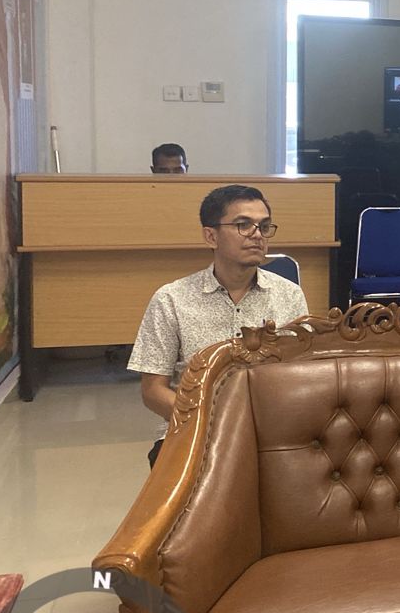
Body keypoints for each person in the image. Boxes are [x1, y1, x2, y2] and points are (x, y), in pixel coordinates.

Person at [127, 184, 308, 466]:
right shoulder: (171, 299)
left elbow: (303, 374)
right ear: (211, 236)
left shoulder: (289, 295)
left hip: (272, 431)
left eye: (263, 226)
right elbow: (152, 391)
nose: (257, 235)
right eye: (243, 225)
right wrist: (208, 421)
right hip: (194, 430)